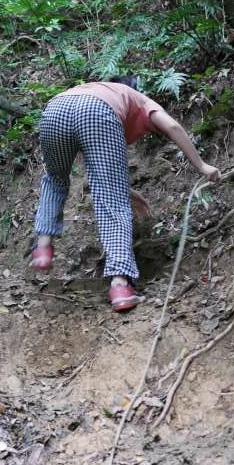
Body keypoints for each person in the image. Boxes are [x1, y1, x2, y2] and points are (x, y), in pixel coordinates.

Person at [31, 74, 220, 311]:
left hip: (54, 111)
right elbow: (171, 125)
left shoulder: (94, 90)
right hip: (96, 114)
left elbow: (98, 171)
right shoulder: (137, 98)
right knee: (114, 203)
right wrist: (202, 166)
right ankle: (120, 285)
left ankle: (43, 247)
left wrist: (128, 191)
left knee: (55, 179)